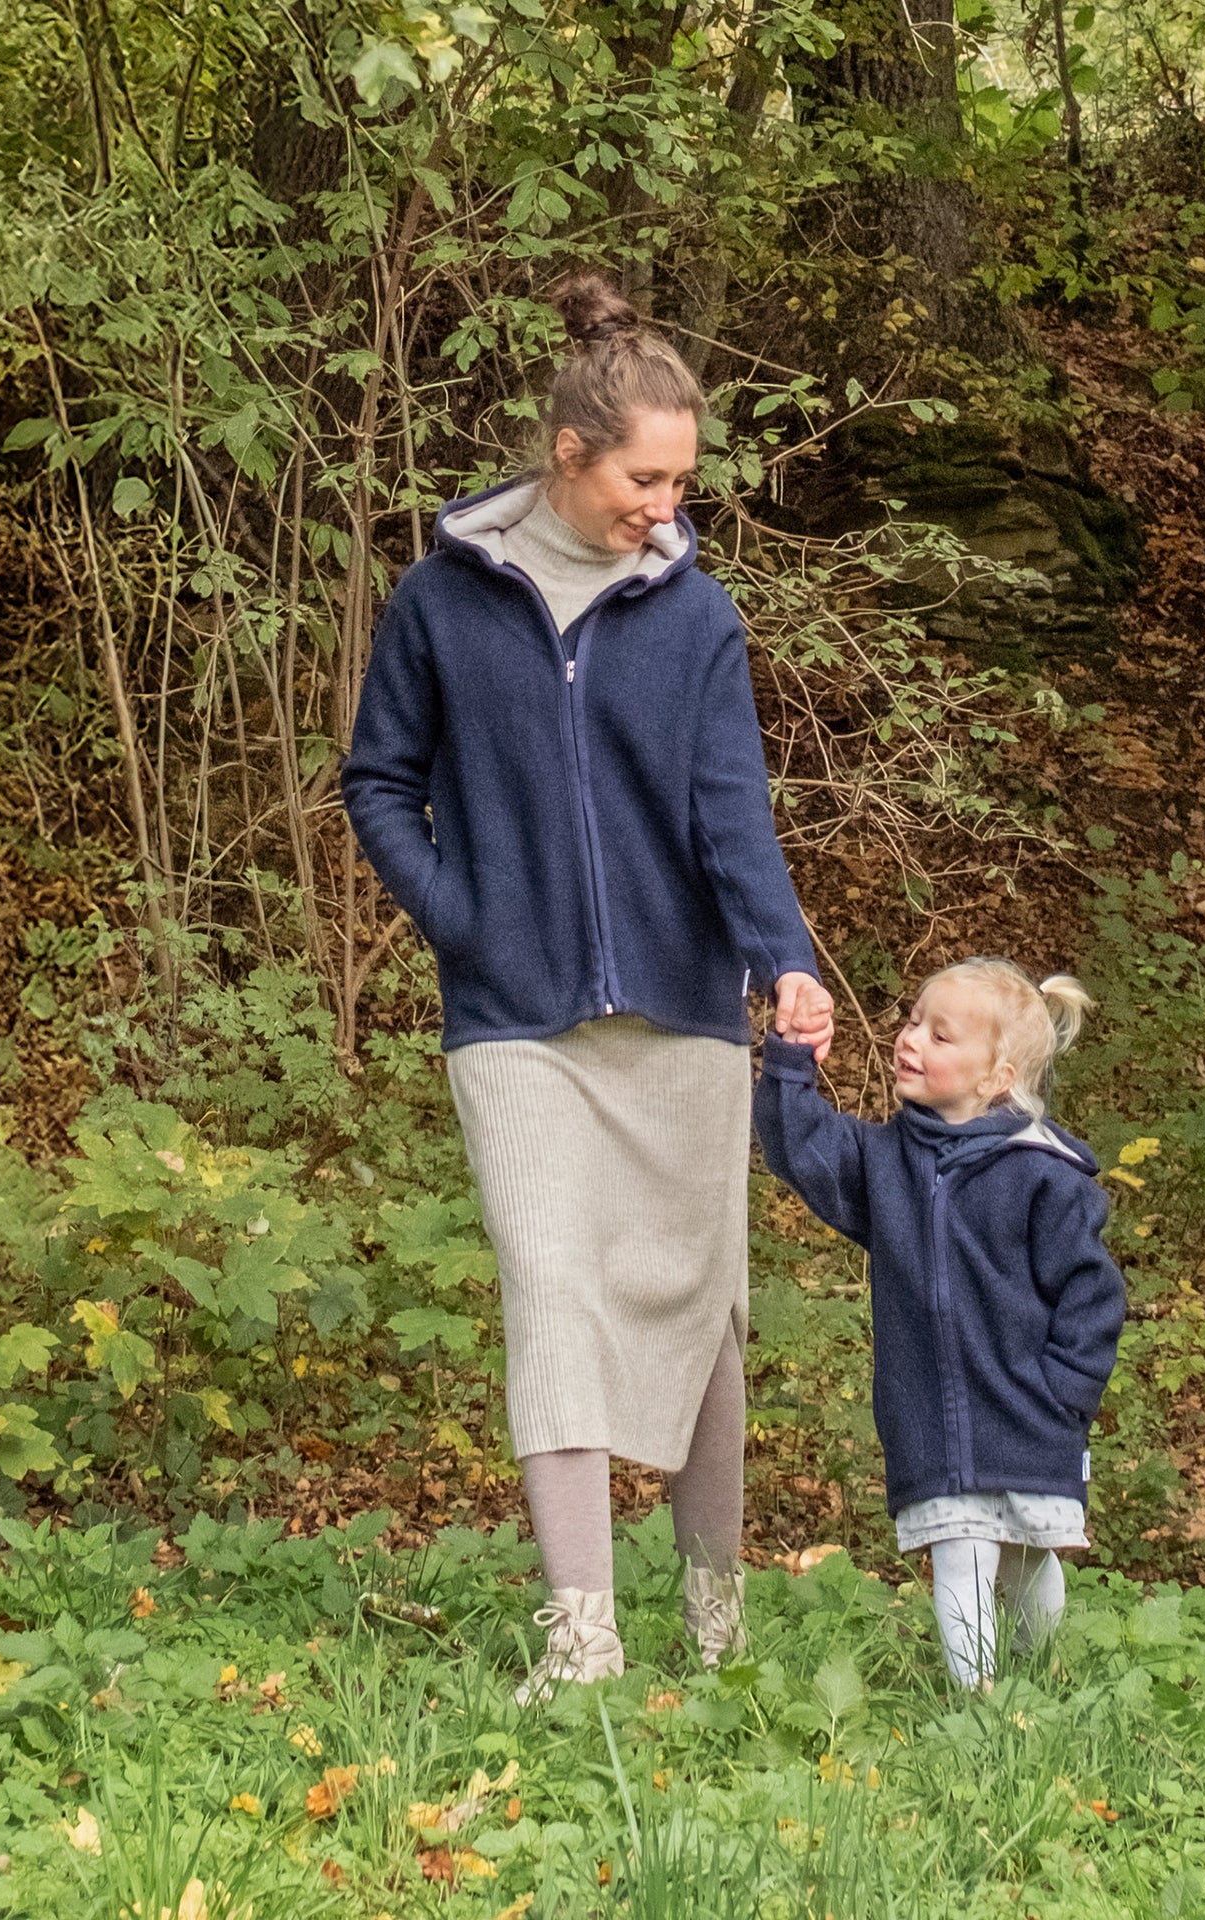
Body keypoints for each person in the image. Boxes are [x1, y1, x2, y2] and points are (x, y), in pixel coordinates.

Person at [341, 273, 835, 1702]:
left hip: (679, 1007)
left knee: (702, 1308)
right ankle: (583, 1633)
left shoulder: (696, 617)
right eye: (645, 477)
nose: (667, 507)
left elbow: (731, 811)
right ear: (568, 455)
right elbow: (378, 780)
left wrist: (784, 961)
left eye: (683, 479)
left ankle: (717, 1612)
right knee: (550, 1289)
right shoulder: (444, 601)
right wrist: (459, 918)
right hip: (517, 1020)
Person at [752, 958, 1125, 1690]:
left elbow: (1092, 1294)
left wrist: (1067, 1393)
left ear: (997, 1076)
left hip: (1030, 1411)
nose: (911, 1039)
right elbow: (804, 1148)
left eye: (940, 1034)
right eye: (913, 1021)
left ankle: (1038, 1676)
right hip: (930, 1418)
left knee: (1024, 1555)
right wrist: (789, 1063)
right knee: (959, 1548)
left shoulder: (1045, 1178)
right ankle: (980, 1705)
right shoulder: (888, 1163)